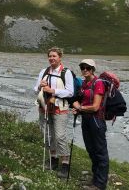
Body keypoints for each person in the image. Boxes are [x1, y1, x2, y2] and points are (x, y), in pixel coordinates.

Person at [34, 47, 74, 178]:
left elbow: (70, 92)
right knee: (47, 135)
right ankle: (53, 159)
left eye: (54, 56)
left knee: (60, 136)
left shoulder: (66, 72)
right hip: (44, 108)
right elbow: (35, 89)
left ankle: (65, 164)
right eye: (50, 56)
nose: (51, 58)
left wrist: (53, 91)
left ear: (60, 57)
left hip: (60, 109)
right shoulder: (43, 71)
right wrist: (40, 86)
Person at [72, 59, 108, 190]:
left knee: (100, 152)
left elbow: (95, 107)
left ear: (93, 69)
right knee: (91, 150)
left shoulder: (98, 83)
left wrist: (80, 108)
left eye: (87, 67)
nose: (85, 70)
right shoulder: (84, 84)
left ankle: (100, 184)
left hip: (97, 121)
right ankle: (95, 179)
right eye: (82, 67)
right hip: (86, 120)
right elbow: (86, 104)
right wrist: (79, 109)